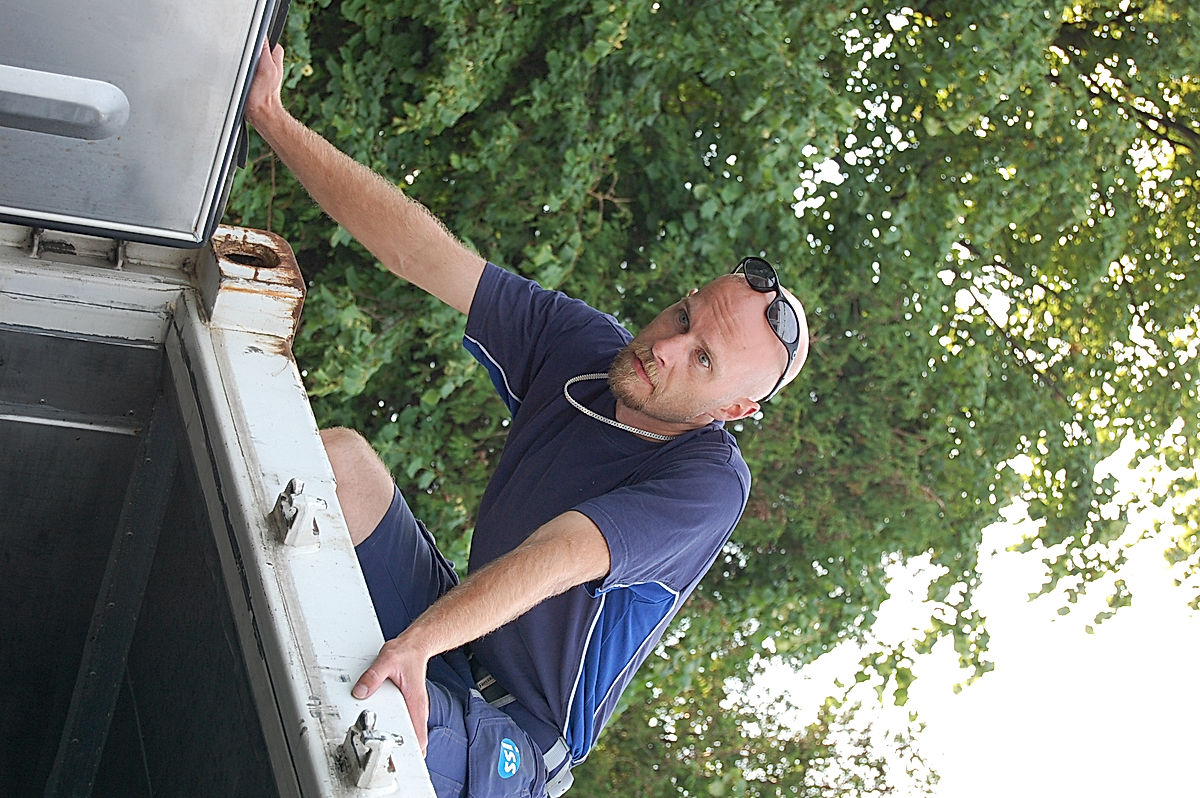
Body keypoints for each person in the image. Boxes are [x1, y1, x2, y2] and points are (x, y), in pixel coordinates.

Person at [245, 42, 808, 798]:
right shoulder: (584, 345)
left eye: (702, 359)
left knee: (372, 721)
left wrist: (416, 644)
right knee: (342, 462)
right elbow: (420, 251)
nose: (665, 347)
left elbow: (562, 554)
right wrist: (271, 118)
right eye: (681, 315)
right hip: (450, 628)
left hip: (519, 732)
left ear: (734, 410)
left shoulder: (707, 482)